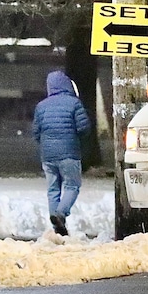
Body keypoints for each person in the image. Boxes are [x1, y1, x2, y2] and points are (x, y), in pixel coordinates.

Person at [32, 70, 92, 236]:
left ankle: (57, 225)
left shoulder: (41, 106)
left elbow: (36, 132)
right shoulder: (74, 104)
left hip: (48, 155)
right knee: (72, 186)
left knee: (53, 189)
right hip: (69, 153)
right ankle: (60, 214)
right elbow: (84, 128)